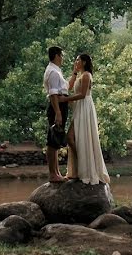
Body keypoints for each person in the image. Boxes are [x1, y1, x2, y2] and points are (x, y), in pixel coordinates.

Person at [62, 53, 110, 185]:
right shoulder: (79, 75)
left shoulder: (87, 75)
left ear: (83, 62)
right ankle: (77, 169)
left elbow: (82, 95)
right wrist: (74, 72)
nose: (75, 61)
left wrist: (65, 99)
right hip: (79, 109)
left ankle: (84, 170)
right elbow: (69, 87)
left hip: (85, 108)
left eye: (77, 60)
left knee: (73, 137)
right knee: (71, 138)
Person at [43, 45, 75, 183]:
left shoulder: (56, 70)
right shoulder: (53, 72)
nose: (62, 58)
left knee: (55, 141)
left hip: (61, 105)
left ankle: (56, 172)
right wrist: (58, 113)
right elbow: (53, 94)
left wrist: (74, 73)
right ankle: (52, 173)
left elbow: (67, 87)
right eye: (61, 55)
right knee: (52, 141)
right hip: (58, 106)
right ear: (56, 55)